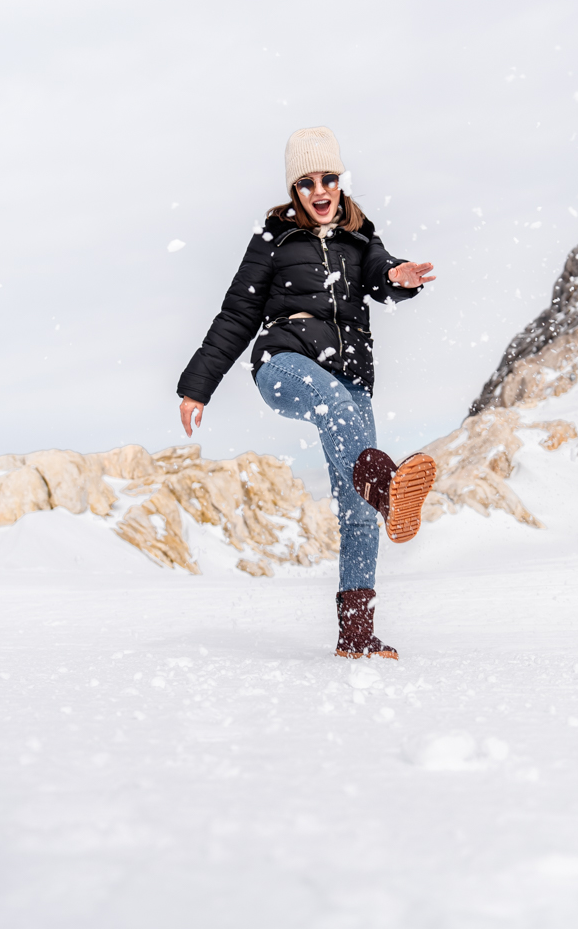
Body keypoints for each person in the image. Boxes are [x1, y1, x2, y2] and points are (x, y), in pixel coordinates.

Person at [176, 126, 437, 660]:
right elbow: (237, 314)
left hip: (351, 380)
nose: (320, 191)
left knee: (359, 508)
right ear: (294, 191)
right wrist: (198, 385)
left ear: (341, 181)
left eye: (329, 179)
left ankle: (357, 638)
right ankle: (385, 485)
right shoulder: (273, 240)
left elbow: (381, 273)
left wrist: (401, 277)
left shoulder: (360, 237)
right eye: (307, 182)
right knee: (342, 421)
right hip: (286, 363)